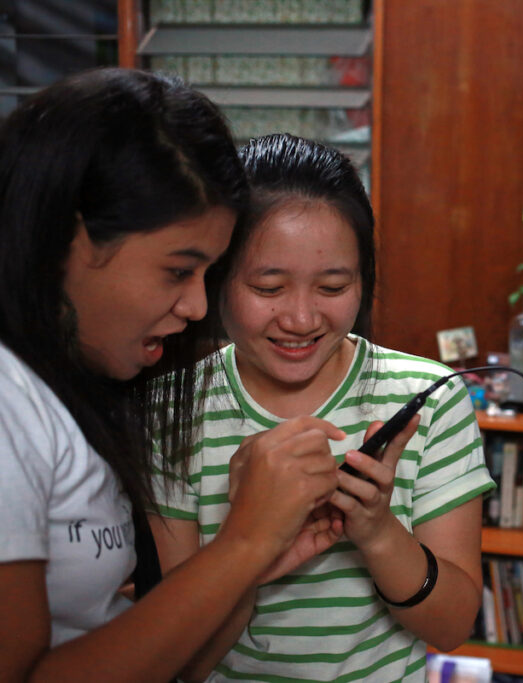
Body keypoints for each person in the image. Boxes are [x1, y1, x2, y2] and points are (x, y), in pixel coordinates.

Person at [0, 68, 349, 682]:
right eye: (177, 271)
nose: (193, 307)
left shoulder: (77, 390)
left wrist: (248, 560)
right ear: (69, 240)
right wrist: (243, 542)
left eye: (206, 275)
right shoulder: (8, 402)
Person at [150, 133, 496, 682]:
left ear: (364, 280)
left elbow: (450, 626)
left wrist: (379, 532)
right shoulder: (172, 410)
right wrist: (250, 543)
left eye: (333, 286)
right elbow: (179, 660)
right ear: (216, 279)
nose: (303, 318)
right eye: (269, 287)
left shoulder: (430, 399)